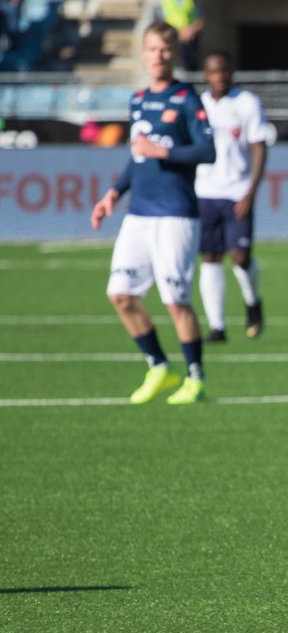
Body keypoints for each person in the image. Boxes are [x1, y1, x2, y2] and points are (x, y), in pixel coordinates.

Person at [90, 20, 215, 405]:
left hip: (175, 214)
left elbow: (207, 150)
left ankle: (195, 378)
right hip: (138, 214)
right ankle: (159, 365)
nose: (158, 56)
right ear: (143, 54)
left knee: (175, 300)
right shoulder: (138, 100)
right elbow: (137, 155)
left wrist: (163, 151)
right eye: (152, 49)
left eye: (164, 49)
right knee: (120, 294)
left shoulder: (186, 98)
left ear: (174, 54)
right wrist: (114, 192)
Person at [196, 50, 268, 342]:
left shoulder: (247, 103)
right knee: (210, 257)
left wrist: (251, 191)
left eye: (224, 71)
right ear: (206, 75)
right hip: (204, 192)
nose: (220, 77)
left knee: (239, 256)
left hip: (237, 191)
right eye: (214, 72)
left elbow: (259, 147)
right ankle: (217, 326)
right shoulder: (198, 105)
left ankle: (252, 302)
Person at [153, 0, 202, 72]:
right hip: (172, 39)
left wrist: (191, 30)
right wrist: (178, 32)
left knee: (191, 67)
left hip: (189, 40)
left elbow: (200, 18)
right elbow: (158, 22)